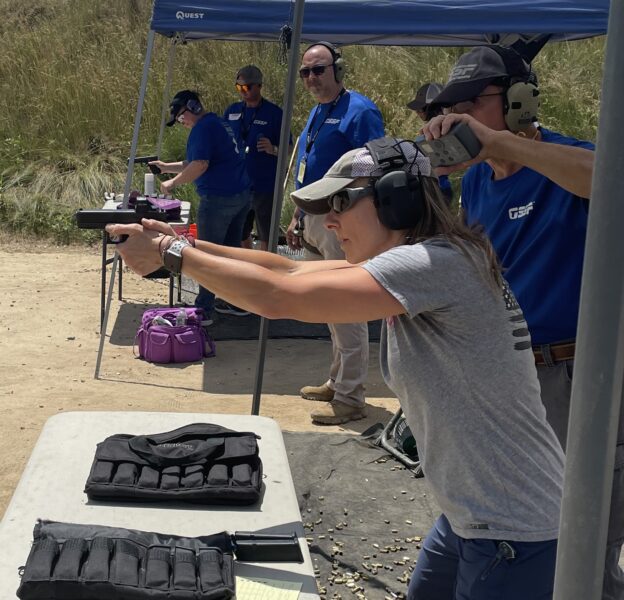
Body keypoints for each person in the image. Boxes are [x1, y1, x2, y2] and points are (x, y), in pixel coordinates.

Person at [109, 138, 565, 599]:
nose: (329, 220)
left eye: (342, 202)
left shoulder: (434, 263)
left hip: (513, 524)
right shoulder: (435, 256)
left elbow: (278, 298)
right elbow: (285, 272)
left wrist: (170, 254)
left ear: (396, 196)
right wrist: (181, 242)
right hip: (469, 514)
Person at [423, 45, 624, 600]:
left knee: (587, 537)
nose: (458, 114)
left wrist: (497, 143)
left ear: (517, 102)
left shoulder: (569, 158)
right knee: (522, 523)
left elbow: (605, 177)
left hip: (574, 377)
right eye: (450, 105)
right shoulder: (480, 181)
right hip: (511, 379)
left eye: (471, 102)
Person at [285, 41, 385, 425]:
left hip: (341, 219)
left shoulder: (360, 111)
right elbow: (311, 168)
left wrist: (355, 221)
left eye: (319, 70)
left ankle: (350, 397)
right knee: (330, 305)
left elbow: (376, 168)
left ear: (337, 71)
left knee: (346, 308)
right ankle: (337, 379)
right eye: (306, 72)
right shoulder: (317, 111)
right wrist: (297, 214)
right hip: (315, 216)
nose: (312, 78)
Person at [149, 89, 250, 323]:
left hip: (219, 199)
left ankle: (204, 310)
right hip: (240, 196)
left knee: (206, 255)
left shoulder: (203, 128)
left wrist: (172, 183)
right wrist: (166, 167)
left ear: (193, 107)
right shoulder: (216, 123)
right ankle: (234, 300)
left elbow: (200, 164)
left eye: (182, 117)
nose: (182, 123)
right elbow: (194, 160)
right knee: (230, 253)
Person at [217, 65, 288, 317]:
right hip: (237, 185)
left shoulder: (275, 113)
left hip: (264, 183)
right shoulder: (232, 112)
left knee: (266, 232)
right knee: (240, 232)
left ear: (259, 86)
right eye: (239, 88)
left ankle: (269, 283)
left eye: (247, 87)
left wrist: (274, 149)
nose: (243, 93)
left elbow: (290, 149)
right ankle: (248, 278)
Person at [406, 82, 453, 204]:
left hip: (438, 187)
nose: (417, 112)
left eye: (421, 108)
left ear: (433, 107)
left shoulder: (437, 132)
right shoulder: (444, 127)